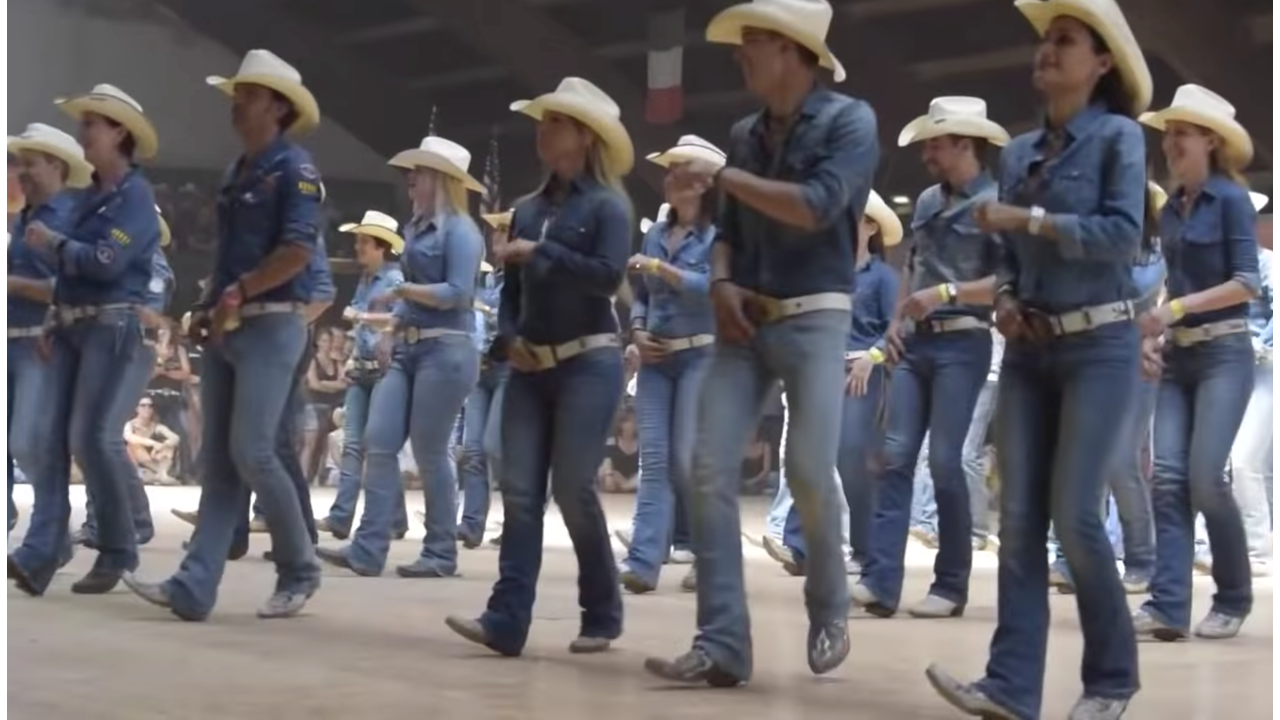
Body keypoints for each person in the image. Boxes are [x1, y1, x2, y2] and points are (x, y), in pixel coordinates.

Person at [924, 1, 1152, 717]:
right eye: (1045, 41)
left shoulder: (1119, 138)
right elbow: (1007, 258)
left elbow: (1121, 236)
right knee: (1019, 518)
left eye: (1065, 41)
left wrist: (1033, 220)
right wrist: (1007, 298)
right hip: (1028, 346)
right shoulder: (1019, 153)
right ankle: (1011, 688)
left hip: (1102, 344)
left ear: (1103, 62)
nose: (1046, 52)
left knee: (1075, 513)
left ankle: (1111, 680)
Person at [645, 0, 879, 685]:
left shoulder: (850, 121)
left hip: (817, 316)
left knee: (808, 470)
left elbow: (816, 205)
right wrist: (718, 284)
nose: (740, 53)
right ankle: (722, 643)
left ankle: (830, 604)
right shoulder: (745, 133)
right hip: (744, 319)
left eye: (753, 41)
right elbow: (731, 237)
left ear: (793, 51)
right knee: (705, 469)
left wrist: (723, 179)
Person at [123, 49, 324, 620]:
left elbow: (299, 250)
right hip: (229, 325)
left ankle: (299, 568)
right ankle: (194, 584)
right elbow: (228, 254)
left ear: (279, 107)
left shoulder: (296, 169)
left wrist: (242, 291)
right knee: (220, 460)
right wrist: (212, 305)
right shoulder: (239, 170)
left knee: (255, 451)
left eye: (250, 96)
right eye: (237, 95)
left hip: (275, 321)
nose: (237, 106)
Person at [444, 76, 633, 657]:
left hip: (591, 361)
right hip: (529, 364)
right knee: (521, 492)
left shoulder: (610, 206)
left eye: (552, 123)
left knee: (573, 488)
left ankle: (601, 610)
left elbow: (608, 276)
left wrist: (542, 251)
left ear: (582, 136)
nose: (542, 133)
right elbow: (509, 291)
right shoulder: (524, 209)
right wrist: (505, 340)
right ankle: (506, 620)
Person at [852, 96, 1007, 620]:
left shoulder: (995, 204)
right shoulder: (923, 202)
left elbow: (1007, 284)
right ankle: (880, 582)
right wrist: (896, 324)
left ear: (966, 145)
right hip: (916, 343)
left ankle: (952, 584)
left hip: (963, 342)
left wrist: (944, 295)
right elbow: (913, 268)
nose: (927, 155)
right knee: (894, 458)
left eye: (936, 145)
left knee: (944, 461)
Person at [315, 135, 483, 578]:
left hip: (446, 346)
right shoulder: (414, 228)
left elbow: (459, 292)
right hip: (411, 345)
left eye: (421, 172)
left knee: (430, 451)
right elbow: (415, 291)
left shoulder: (462, 231)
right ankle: (369, 547)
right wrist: (395, 324)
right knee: (379, 440)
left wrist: (405, 293)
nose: (411, 179)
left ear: (442, 181)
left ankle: (440, 551)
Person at [1133, 84, 1260, 642]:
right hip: (1180, 357)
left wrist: (1176, 310)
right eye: (1167, 136)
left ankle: (1233, 595)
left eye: (1180, 135)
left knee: (1206, 478)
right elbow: (1172, 288)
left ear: (1210, 141)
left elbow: (1245, 284)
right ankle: (1167, 605)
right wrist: (1155, 332)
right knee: (1166, 479)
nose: (1169, 145)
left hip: (1225, 354)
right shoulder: (1170, 211)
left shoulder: (1231, 199)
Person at [23, 85, 162, 596]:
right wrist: (53, 319)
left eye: (92, 124)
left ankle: (118, 548)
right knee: (54, 439)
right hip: (74, 326)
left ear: (118, 132)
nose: (83, 133)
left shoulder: (135, 197)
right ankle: (47, 547)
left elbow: (108, 262)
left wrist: (58, 244)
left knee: (93, 438)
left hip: (111, 323)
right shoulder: (88, 198)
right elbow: (77, 269)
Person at [773, 189, 903, 576]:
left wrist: (871, 358)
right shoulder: (824, 274)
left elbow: (897, 330)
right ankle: (800, 545)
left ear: (870, 227)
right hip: (819, 370)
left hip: (860, 373)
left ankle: (863, 549)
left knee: (849, 457)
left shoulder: (883, 278)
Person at [618, 135, 724, 595]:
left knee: (689, 461)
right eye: (669, 170)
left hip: (703, 354)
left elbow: (716, 288)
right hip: (657, 357)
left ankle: (709, 554)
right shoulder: (655, 234)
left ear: (701, 184)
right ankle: (643, 561)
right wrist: (638, 331)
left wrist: (663, 271)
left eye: (679, 170)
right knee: (655, 458)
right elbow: (641, 295)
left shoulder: (720, 236)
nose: (669, 178)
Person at [5, 123, 92, 595]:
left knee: (30, 444)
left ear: (55, 165)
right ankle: (45, 542)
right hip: (10, 339)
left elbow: (75, 285)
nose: (22, 172)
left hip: (41, 341)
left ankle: (52, 534)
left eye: (29, 163)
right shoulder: (23, 219)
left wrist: (15, 286)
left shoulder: (68, 218)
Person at [317, 210, 407, 540]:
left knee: (379, 446)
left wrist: (361, 315)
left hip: (385, 371)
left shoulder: (396, 280)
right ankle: (342, 517)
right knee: (354, 444)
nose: (358, 247)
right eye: (358, 241)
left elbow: (400, 319)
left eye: (364, 242)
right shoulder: (366, 279)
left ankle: (394, 518)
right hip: (363, 369)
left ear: (381, 247)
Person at [457, 209, 511, 547]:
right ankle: (471, 524)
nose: (497, 238)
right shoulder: (486, 280)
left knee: (497, 447)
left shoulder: (527, 281)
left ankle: (521, 515)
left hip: (510, 369)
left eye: (504, 232)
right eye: (495, 233)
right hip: (481, 370)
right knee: (474, 449)